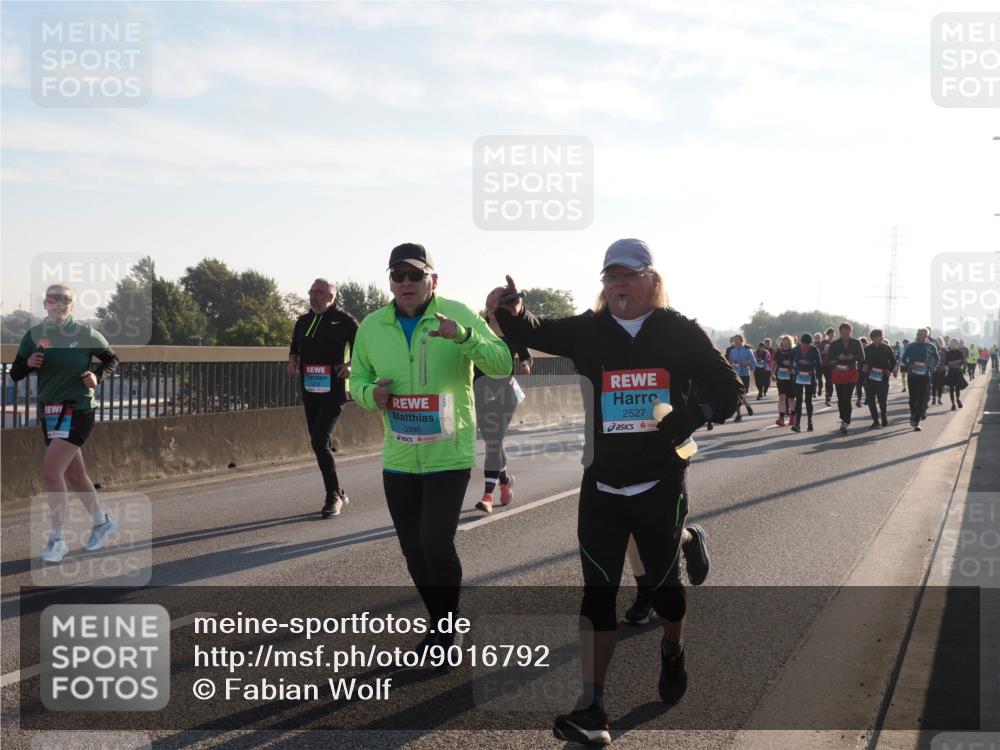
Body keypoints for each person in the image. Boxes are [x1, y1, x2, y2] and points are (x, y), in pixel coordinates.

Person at [489, 239, 741, 746]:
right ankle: (592, 705)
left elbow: (729, 387)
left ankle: (673, 647)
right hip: (602, 484)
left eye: (628, 276)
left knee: (666, 595)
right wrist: (512, 308)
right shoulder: (589, 330)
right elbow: (533, 332)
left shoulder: (679, 331)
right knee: (597, 592)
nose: (618, 285)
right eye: (610, 277)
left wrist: (692, 415)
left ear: (651, 279)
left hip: (660, 482)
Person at [349, 243, 512, 654]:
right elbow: (357, 380)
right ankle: (439, 624)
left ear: (432, 280)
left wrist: (465, 338)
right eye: (397, 275)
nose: (405, 283)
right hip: (400, 458)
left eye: (414, 275)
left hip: (448, 455)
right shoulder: (371, 326)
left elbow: (502, 363)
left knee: (436, 542)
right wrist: (371, 395)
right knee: (413, 551)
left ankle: (446, 631)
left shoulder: (456, 314)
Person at [10, 284, 120, 563]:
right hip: (52, 411)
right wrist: (30, 364)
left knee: (50, 472)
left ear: (72, 305)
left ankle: (57, 539)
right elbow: (15, 373)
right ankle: (102, 522)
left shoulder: (85, 333)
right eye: (52, 299)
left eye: (65, 300)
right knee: (73, 475)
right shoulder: (34, 335)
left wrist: (97, 376)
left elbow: (111, 359)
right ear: (45, 304)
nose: (58, 304)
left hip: (79, 408)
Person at [288, 278, 359, 518]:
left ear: (330, 297)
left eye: (319, 292)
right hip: (309, 391)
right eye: (311, 290)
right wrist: (293, 358)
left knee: (319, 441)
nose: (313, 295)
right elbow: (296, 344)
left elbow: (364, 348)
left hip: (334, 391)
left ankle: (333, 496)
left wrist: (351, 365)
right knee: (321, 444)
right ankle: (338, 491)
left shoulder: (345, 321)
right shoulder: (303, 321)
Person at [473, 311, 532, 514]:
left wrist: (525, 364)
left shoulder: (512, 334)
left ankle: (487, 495)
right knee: (492, 440)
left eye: (499, 311)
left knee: (494, 440)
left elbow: (527, 356)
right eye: (491, 311)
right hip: (481, 393)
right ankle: (504, 480)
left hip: (506, 393)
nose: (494, 314)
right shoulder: (477, 333)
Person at [827, 322, 865, 434]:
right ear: (840, 333)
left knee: (847, 397)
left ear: (850, 332)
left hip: (851, 372)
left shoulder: (856, 342)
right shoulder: (834, 344)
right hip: (838, 373)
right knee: (840, 397)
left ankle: (845, 421)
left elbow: (862, 357)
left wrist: (852, 356)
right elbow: (830, 359)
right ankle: (843, 417)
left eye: (847, 333)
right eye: (843, 333)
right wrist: (839, 358)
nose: (845, 336)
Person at [900, 329, 940, 431]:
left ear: (927, 336)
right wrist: (910, 365)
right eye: (919, 335)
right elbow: (903, 359)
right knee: (913, 398)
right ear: (917, 335)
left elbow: (937, 358)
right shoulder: (912, 346)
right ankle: (913, 414)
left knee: (921, 399)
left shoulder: (931, 347)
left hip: (925, 376)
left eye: (924, 335)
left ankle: (916, 422)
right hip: (913, 375)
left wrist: (934, 366)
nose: (921, 337)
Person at [863, 330, 897, 428]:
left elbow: (893, 360)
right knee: (870, 400)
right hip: (870, 378)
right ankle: (875, 421)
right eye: (878, 337)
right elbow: (863, 361)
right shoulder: (868, 349)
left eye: (881, 336)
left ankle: (884, 417)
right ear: (873, 338)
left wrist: (890, 370)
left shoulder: (887, 348)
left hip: (883, 377)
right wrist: (864, 366)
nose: (880, 338)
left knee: (882, 400)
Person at [791, 333, 821, 432]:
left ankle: (810, 422)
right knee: (798, 400)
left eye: (808, 345)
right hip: (798, 377)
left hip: (810, 377)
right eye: (804, 345)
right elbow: (790, 361)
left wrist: (809, 363)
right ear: (801, 343)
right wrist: (793, 368)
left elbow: (819, 363)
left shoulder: (814, 349)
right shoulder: (795, 349)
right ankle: (797, 424)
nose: (806, 347)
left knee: (808, 401)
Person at [728, 335, 756, 421]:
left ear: (741, 341)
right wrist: (732, 363)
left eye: (737, 340)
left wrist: (747, 363)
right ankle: (739, 415)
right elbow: (729, 362)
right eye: (734, 341)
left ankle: (747, 405)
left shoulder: (747, 350)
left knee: (742, 395)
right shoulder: (732, 351)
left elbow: (754, 363)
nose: (735, 342)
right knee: (736, 395)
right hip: (735, 375)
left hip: (744, 375)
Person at [771, 336, 797, 427]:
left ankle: (793, 417)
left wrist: (791, 364)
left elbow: (797, 363)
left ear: (791, 343)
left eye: (787, 342)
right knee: (782, 397)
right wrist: (772, 374)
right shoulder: (777, 352)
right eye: (783, 342)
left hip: (791, 377)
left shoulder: (794, 352)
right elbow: (773, 363)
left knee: (791, 398)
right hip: (780, 377)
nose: (785, 344)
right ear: (781, 343)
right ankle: (781, 418)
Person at [944, 340, 968, 410]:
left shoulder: (960, 352)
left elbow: (963, 360)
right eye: (952, 343)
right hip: (951, 372)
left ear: (957, 344)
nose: (953, 344)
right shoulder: (948, 353)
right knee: (951, 389)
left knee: (957, 388)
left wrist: (952, 362)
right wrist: (955, 362)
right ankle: (953, 404)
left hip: (958, 372)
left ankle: (957, 399)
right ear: (950, 344)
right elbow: (946, 362)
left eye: (955, 343)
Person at [820, 327, 836, 405]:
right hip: (824, 363)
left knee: (830, 380)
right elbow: (819, 352)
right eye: (831, 334)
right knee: (826, 380)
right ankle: (826, 393)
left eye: (833, 334)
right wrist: (824, 352)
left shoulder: (835, 342)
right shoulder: (823, 342)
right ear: (828, 334)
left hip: (832, 364)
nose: (832, 335)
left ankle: (828, 397)